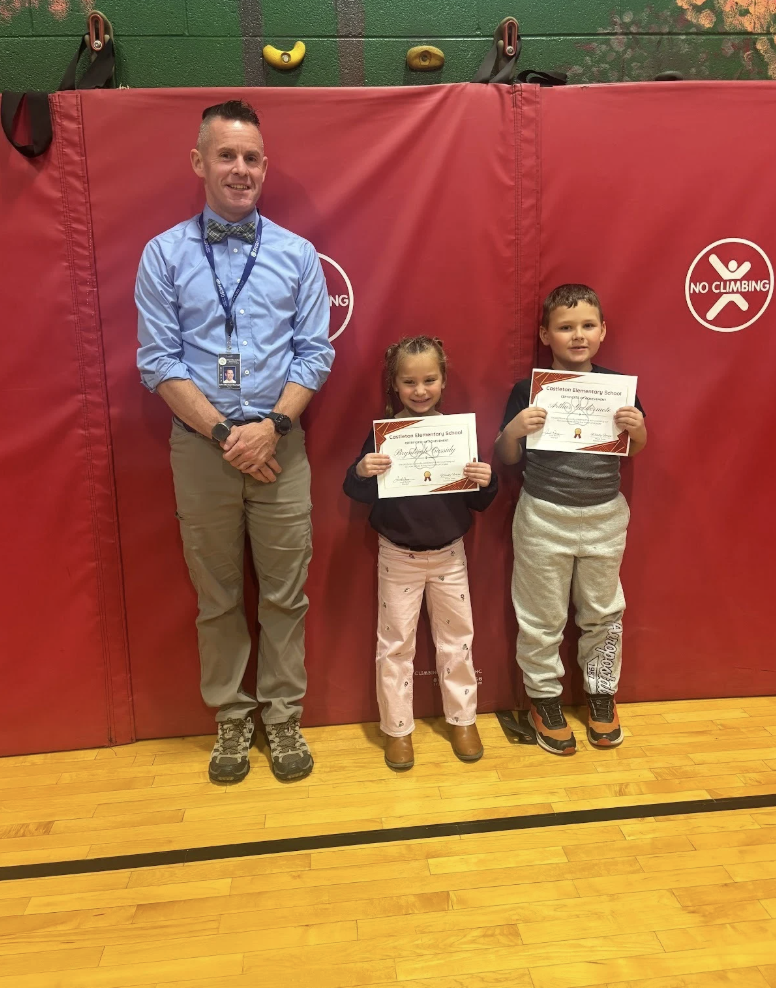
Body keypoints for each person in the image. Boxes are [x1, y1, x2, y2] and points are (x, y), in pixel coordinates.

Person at [136, 100, 334, 785]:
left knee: (286, 593)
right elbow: (159, 362)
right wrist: (226, 434)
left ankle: (282, 720)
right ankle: (230, 719)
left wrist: (270, 428)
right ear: (199, 162)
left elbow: (314, 355)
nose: (240, 169)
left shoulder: (297, 255)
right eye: (227, 155)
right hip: (202, 449)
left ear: (265, 166)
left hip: (283, 445)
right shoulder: (162, 256)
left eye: (251, 157)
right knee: (217, 596)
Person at [495, 284, 647, 756]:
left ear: (603, 331)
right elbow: (505, 455)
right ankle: (544, 698)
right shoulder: (527, 390)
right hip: (543, 515)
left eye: (586, 326)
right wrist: (515, 429)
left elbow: (634, 449)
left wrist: (638, 430)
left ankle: (601, 694)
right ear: (546, 334)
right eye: (565, 327)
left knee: (604, 613)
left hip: (604, 515)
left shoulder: (617, 388)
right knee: (541, 618)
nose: (577, 335)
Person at [344, 336, 498, 770]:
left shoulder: (456, 434)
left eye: (429, 379)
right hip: (398, 556)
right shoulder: (383, 435)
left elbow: (480, 501)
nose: (420, 390)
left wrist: (486, 480)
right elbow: (354, 490)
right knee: (394, 645)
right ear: (394, 384)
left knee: (457, 642)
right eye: (409, 381)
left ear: (444, 381)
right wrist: (362, 470)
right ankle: (397, 729)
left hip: (450, 556)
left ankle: (463, 720)